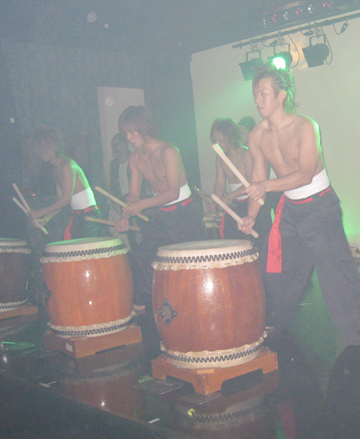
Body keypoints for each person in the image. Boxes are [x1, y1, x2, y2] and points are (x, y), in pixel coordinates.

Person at [238, 65, 360, 358]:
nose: (258, 100)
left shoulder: (306, 126)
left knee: (336, 274)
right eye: (255, 94)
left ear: (281, 95)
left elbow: (305, 174)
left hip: (321, 207)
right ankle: (273, 320)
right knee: (275, 267)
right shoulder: (257, 136)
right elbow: (258, 181)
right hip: (291, 210)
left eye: (264, 93)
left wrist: (264, 186)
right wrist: (251, 216)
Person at [117, 105, 205, 311]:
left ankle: (196, 307)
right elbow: (133, 195)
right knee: (142, 257)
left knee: (189, 262)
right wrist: (126, 215)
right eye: (125, 133)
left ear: (144, 127)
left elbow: (172, 192)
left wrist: (141, 205)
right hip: (162, 215)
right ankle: (148, 307)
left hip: (186, 213)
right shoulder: (135, 158)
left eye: (132, 132)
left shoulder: (169, 151)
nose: (128, 138)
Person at [30, 125, 103, 240]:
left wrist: (40, 212)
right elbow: (60, 202)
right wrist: (45, 219)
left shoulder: (67, 166)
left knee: (82, 249)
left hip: (89, 215)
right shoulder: (56, 170)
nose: (41, 152)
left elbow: (66, 200)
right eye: (39, 148)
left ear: (55, 147)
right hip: (77, 215)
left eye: (44, 148)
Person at [210, 117, 253, 241]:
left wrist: (229, 196)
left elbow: (251, 183)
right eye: (215, 141)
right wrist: (216, 200)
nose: (217, 144)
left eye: (221, 140)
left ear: (232, 138)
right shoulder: (220, 158)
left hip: (250, 202)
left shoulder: (246, 154)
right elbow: (220, 182)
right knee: (231, 237)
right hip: (235, 203)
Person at [108, 133, 138, 248]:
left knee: (138, 228)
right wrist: (113, 201)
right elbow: (112, 184)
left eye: (120, 143)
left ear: (125, 144)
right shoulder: (114, 164)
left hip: (135, 198)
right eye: (116, 145)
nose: (119, 147)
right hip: (121, 199)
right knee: (127, 228)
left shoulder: (134, 158)